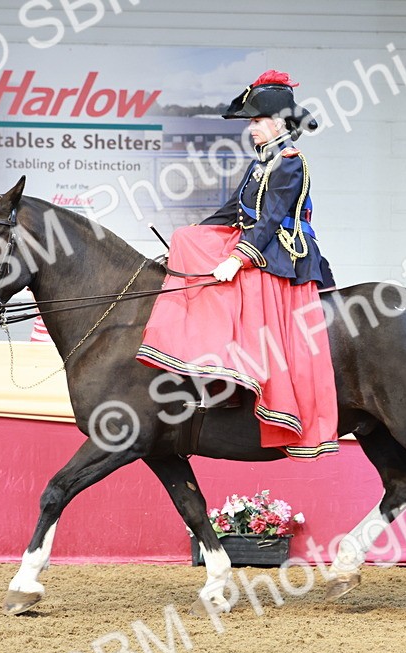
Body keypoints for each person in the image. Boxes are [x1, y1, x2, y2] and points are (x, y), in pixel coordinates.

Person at [137, 71, 339, 461]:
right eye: (251, 121)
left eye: (257, 121)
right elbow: (232, 210)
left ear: (279, 122)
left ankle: (236, 377)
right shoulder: (259, 163)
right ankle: (203, 361)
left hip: (280, 252)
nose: (252, 128)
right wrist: (195, 232)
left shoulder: (291, 163)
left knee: (235, 288)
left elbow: (270, 218)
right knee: (185, 238)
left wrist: (237, 258)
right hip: (253, 240)